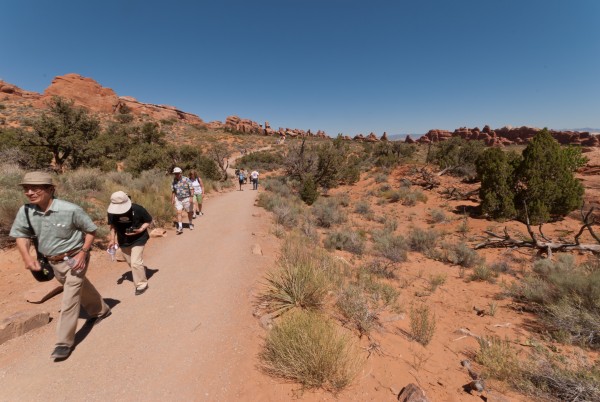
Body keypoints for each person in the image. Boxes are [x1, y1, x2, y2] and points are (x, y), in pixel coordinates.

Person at [10, 172, 111, 360]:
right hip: (53, 262)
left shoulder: (70, 209)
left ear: (50, 189)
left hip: (75, 258)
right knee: (80, 286)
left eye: (35, 188)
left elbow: (91, 230)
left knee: (69, 298)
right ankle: (101, 310)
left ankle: (64, 342)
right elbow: (21, 235)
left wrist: (84, 252)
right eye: (26, 189)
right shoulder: (26, 211)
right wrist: (26, 257)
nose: (30, 192)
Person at [107, 191, 152, 296]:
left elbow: (148, 220)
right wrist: (112, 239)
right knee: (131, 263)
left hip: (139, 238)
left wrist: (141, 229)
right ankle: (140, 271)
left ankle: (142, 284)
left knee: (135, 262)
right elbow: (112, 226)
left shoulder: (137, 209)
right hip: (123, 240)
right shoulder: (111, 212)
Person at [171, 167, 194, 234]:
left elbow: (192, 189)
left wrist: (191, 197)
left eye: (178, 173)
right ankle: (180, 227)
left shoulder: (186, 179)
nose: (176, 175)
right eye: (175, 173)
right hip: (178, 199)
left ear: (180, 173)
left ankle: (190, 223)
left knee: (189, 212)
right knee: (179, 212)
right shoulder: (173, 181)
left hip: (187, 198)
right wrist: (172, 199)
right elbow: (173, 191)